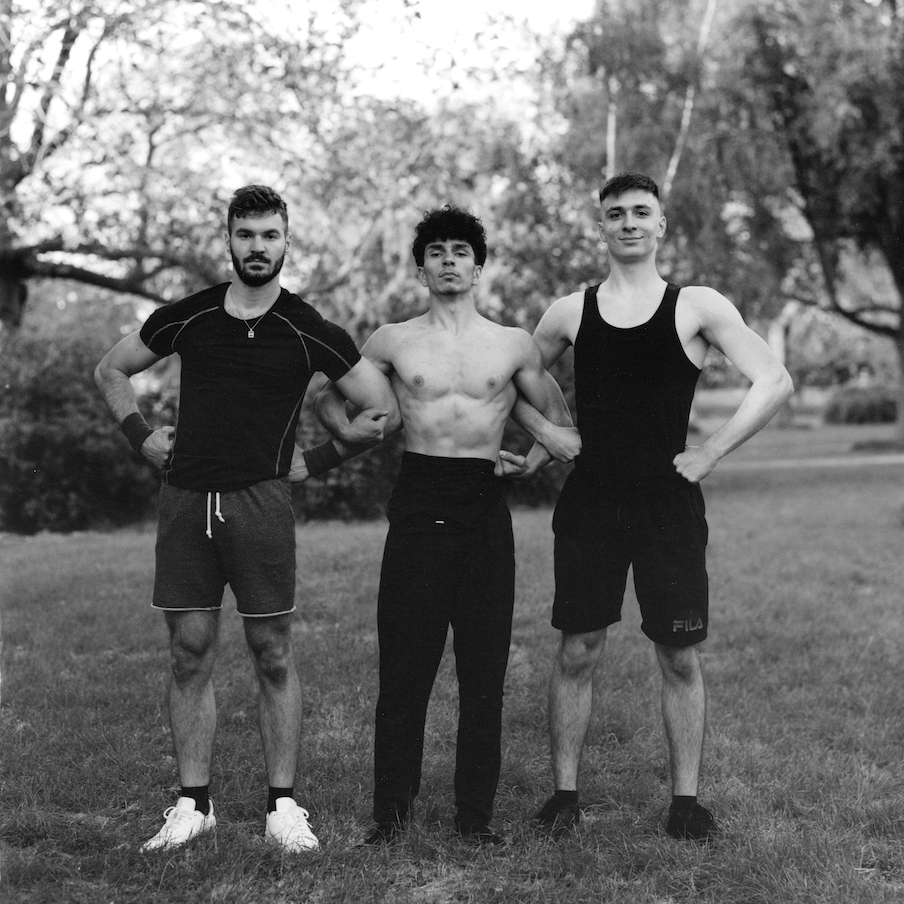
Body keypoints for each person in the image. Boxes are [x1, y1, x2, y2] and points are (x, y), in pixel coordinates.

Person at [94, 185, 397, 853]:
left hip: (261, 503)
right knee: (188, 651)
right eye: (246, 234)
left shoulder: (308, 328)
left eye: (269, 235)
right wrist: (141, 436)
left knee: (273, 652)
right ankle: (193, 805)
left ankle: (282, 807)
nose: (257, 247)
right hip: (185, 500)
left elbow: (381, 411)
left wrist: (317, 460)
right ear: (228, 240)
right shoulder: (190, 315)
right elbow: (111, 369)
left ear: (287, 242)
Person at [509, 172, 793, 843]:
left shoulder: (696, 306)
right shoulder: (570, 312)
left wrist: (712, 451)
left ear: (661, 225)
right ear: (601, 227)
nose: (629, 223)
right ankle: (564, 795)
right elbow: (507, 377)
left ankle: (685, 803)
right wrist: (548, 435)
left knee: (679, 655)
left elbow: (774, 379)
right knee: (577, 649)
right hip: (592, 501)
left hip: (668, 504)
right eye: (616, 214)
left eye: (641, 212)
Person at [303, 205, 580, 845]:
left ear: (478, 267)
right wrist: (347, 431)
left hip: (483, 502)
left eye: (461, 251)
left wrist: (531, 458)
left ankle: (474, 819)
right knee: (405, 667)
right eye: (437, 252)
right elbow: (326, 391)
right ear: (421, 269)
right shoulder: (392, 341)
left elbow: (559, 422)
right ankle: (390, 817)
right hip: (419, 497)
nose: (449, 260)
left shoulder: (512, 343)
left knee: (483, 673)